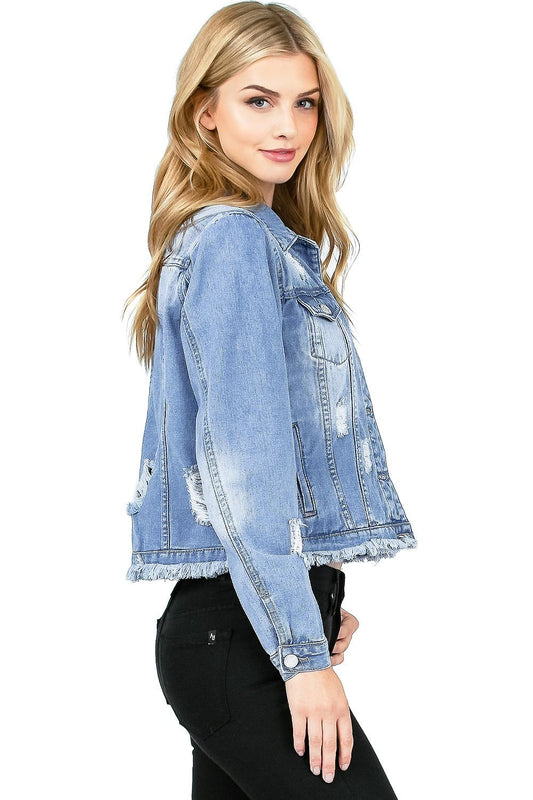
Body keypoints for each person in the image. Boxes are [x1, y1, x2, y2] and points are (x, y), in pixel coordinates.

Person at [122, 3, 417, 797]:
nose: (288, 126)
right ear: (205, 112)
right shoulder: (232, 241)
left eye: (305, 102)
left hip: (234, 631)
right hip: (240, 645)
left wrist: (312, 596)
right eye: (259, 100)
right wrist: (300, 651)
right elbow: (243, 470)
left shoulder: (248, 237)